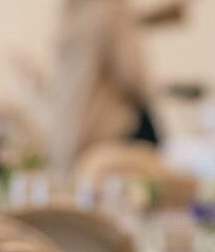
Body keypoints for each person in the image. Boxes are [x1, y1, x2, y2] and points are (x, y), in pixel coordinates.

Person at [49, 0, 185, 172]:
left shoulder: (71, 15)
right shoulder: (113, 9)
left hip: (71, 144)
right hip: (109, 139)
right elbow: (133, 76)